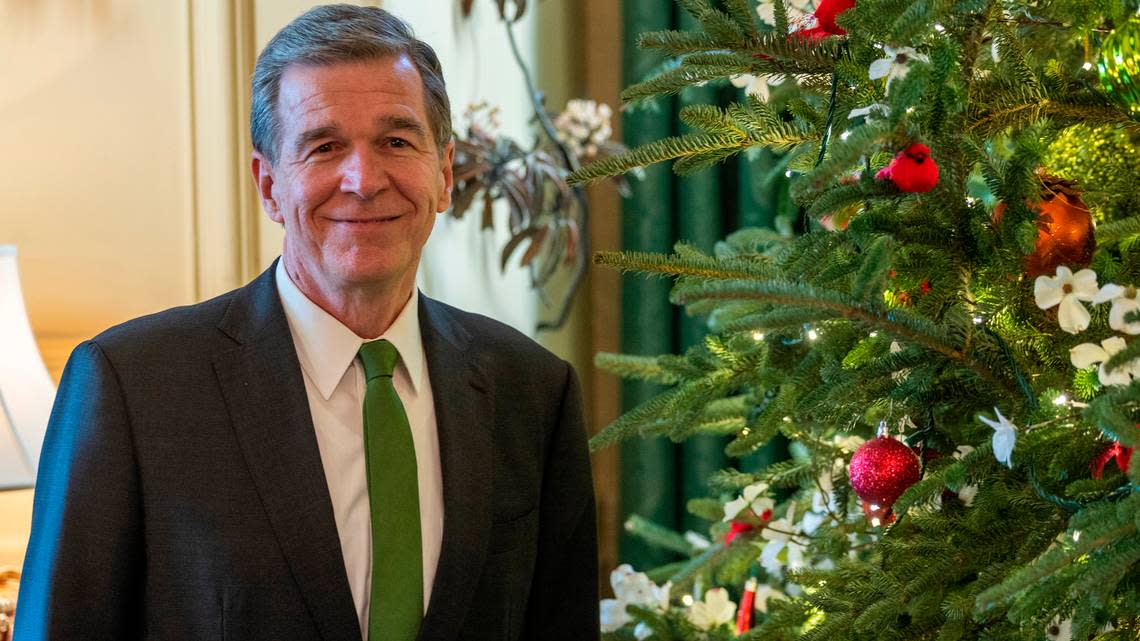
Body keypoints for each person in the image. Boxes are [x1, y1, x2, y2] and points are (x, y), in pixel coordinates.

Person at [14, 5, 598, 640]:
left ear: (445, 173)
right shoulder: (132, 387)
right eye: (324, 146)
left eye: (397, 141)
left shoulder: (532, 391)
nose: (364, 179)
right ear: (268, 185)